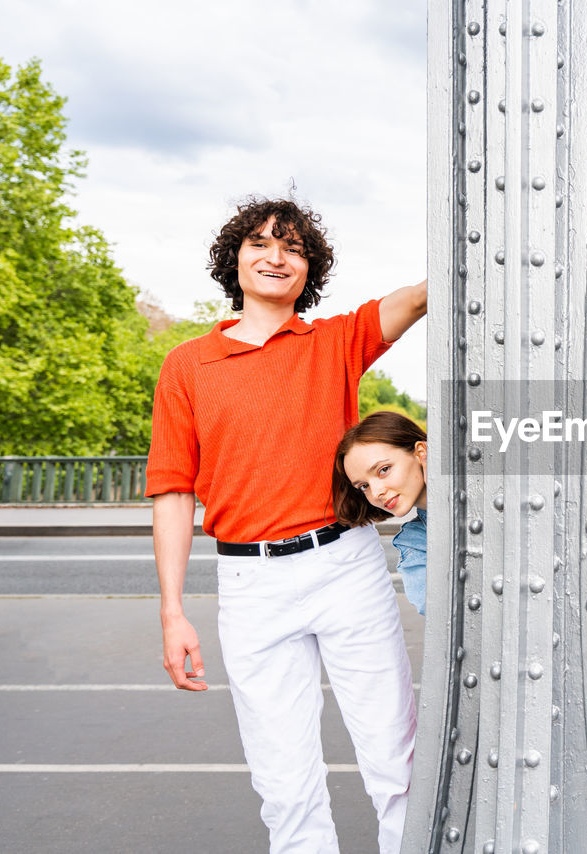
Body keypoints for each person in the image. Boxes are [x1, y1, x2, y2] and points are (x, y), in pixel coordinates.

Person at [146, 196, 428, 854]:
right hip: (251, 584)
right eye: (261, 244)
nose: (277, 257)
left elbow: (417, 299)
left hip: (345, 569)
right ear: (234, 260)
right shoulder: (187, 366)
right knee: (284, 783)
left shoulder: (335, 341)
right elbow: (171, 492)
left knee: (396, 763)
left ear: (310, 269)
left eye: (294, 248)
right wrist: (171, 611)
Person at [332, 411, 428, 614]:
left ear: (421, 453)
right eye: (363, 486)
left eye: (383, 470)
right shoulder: (413, 542)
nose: (376, 493)